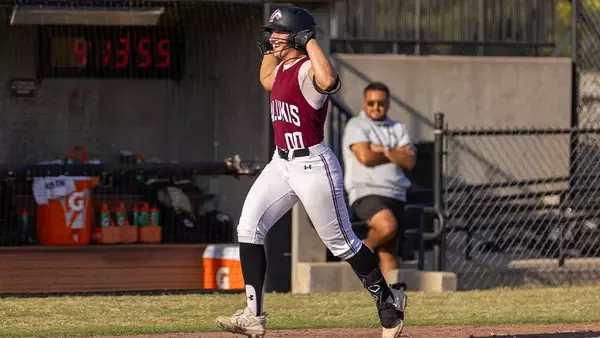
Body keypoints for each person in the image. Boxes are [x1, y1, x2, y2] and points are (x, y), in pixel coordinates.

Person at [214, 7, 407, 338]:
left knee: (342, 244)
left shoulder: (307, 69)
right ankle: (253, 314)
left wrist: (311, 41)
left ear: (297, 37)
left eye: (278, 32)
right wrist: (272, 50)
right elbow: (264, 79)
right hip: (282, 162)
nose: (271, 37)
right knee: (248, 228)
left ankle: (389, 301)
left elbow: (329, 81)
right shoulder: (285, 67)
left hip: (314, 166)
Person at [342, 82, 416, 278]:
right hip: (366, 192)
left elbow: (409, 161)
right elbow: (364, 157)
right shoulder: (356, 125)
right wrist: (394, 152)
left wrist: (381, 149)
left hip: (397, 194)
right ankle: (360, 250)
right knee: (387, 226)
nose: (375, 107)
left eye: (380, 103)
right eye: (371, 103)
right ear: (364, 102)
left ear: (388, 104)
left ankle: (389, 299)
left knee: (388, 252)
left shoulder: (398, 128)